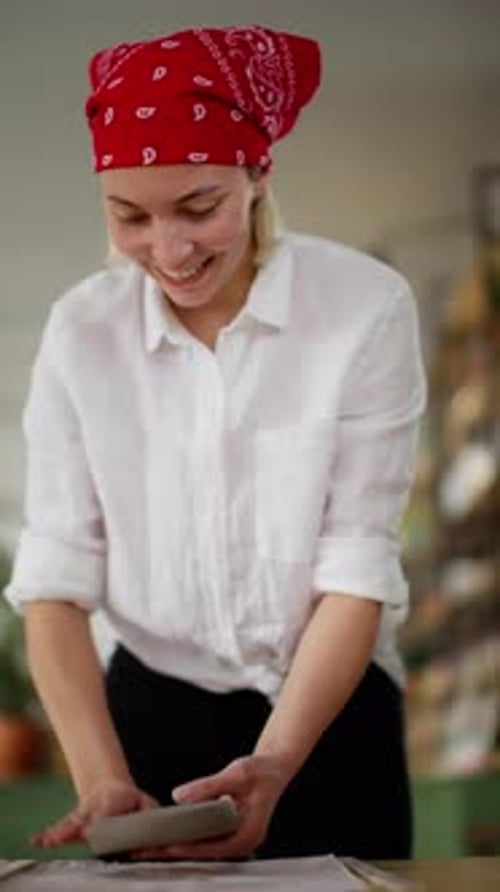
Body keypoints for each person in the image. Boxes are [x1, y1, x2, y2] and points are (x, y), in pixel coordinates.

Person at [4, 24, 426, 861]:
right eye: (130, 216)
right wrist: (100, 778)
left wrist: (275, 759)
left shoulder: (364, 308)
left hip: (332, 712)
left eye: (200, 207)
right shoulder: (81, 334)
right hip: (150, 713)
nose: (170, 249)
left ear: (259, 175)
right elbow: (54, 581)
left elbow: (355, 564)